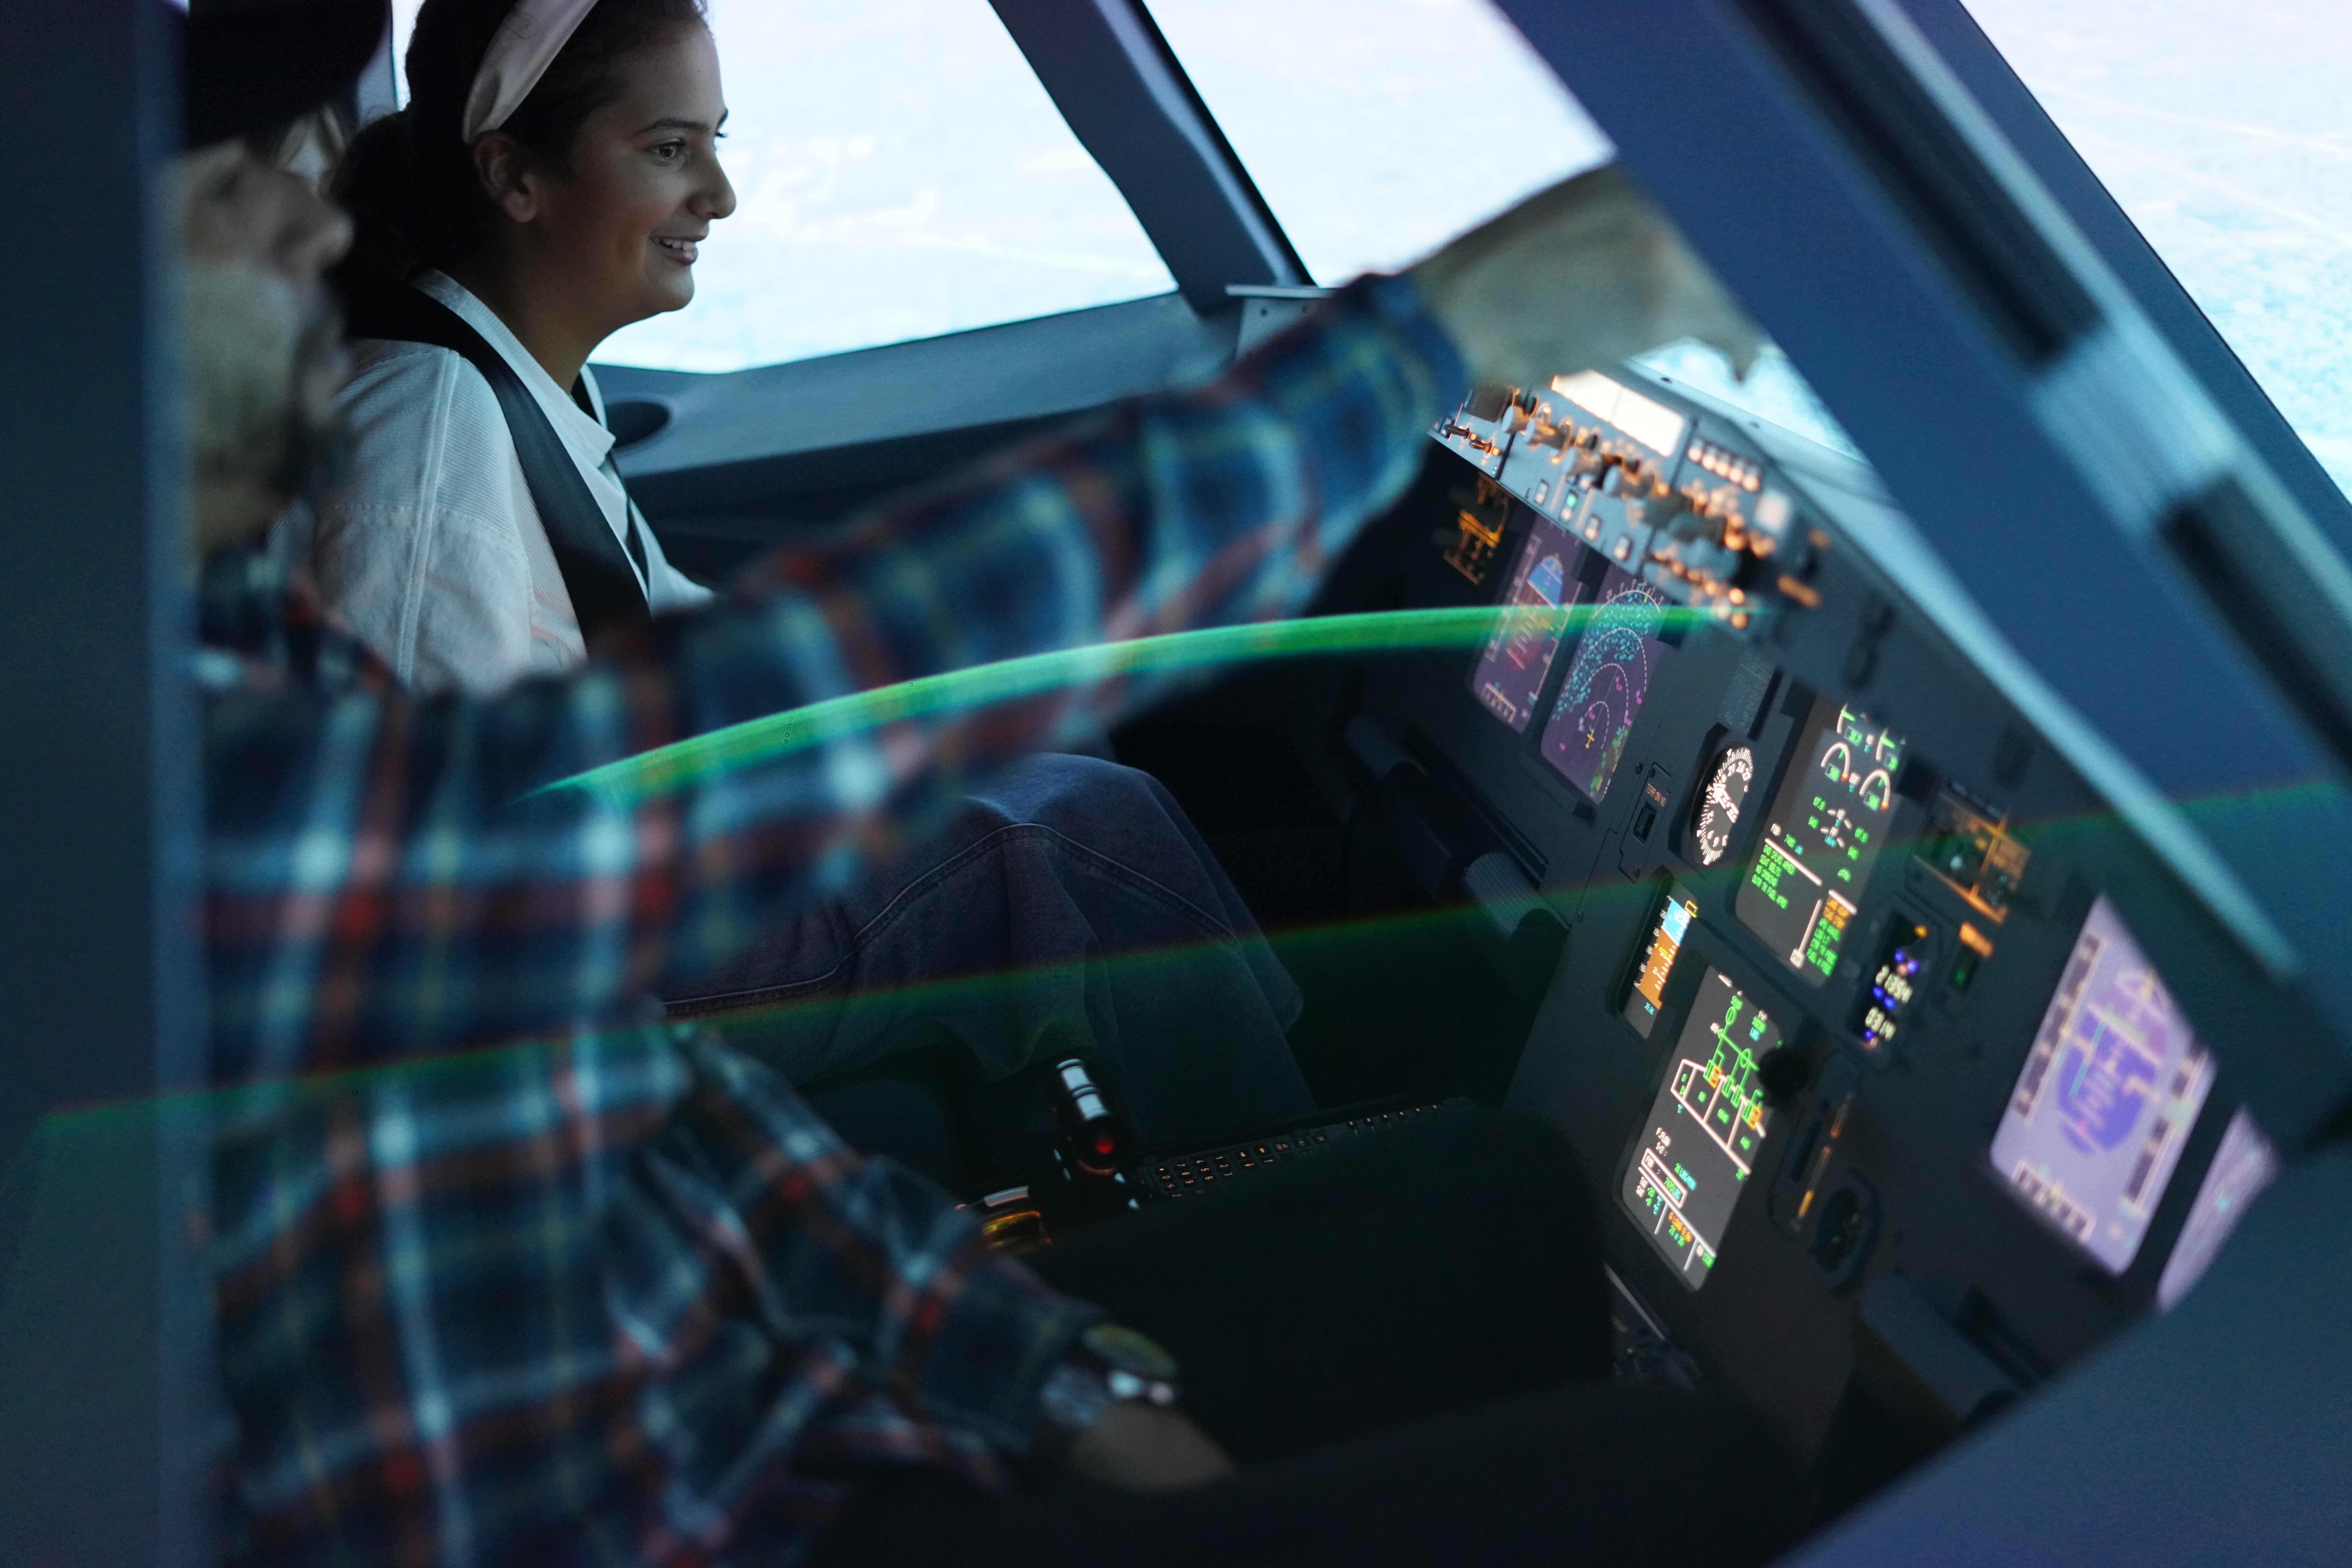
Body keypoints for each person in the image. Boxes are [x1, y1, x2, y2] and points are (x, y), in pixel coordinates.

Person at [173, 1, 1788, 1562]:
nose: (318, 231)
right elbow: (692, 749)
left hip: (745, 1400)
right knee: (1703, 1473)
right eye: (236, 186)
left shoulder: (256, 641)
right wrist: (1449, 332)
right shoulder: (158, 771)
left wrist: (1045, 1376)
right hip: (698, 1510)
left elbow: (647, 1091)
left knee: (1497, 1198)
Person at [279, 0, 1320, 1148]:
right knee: (1074, 830)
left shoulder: (509, 378)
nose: (718, 196)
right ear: (516, 178)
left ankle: (1230, 1132)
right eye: (669, 149)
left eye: (717, 142)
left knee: (1057, 739)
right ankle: (1276, 1205)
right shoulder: (428, 446)